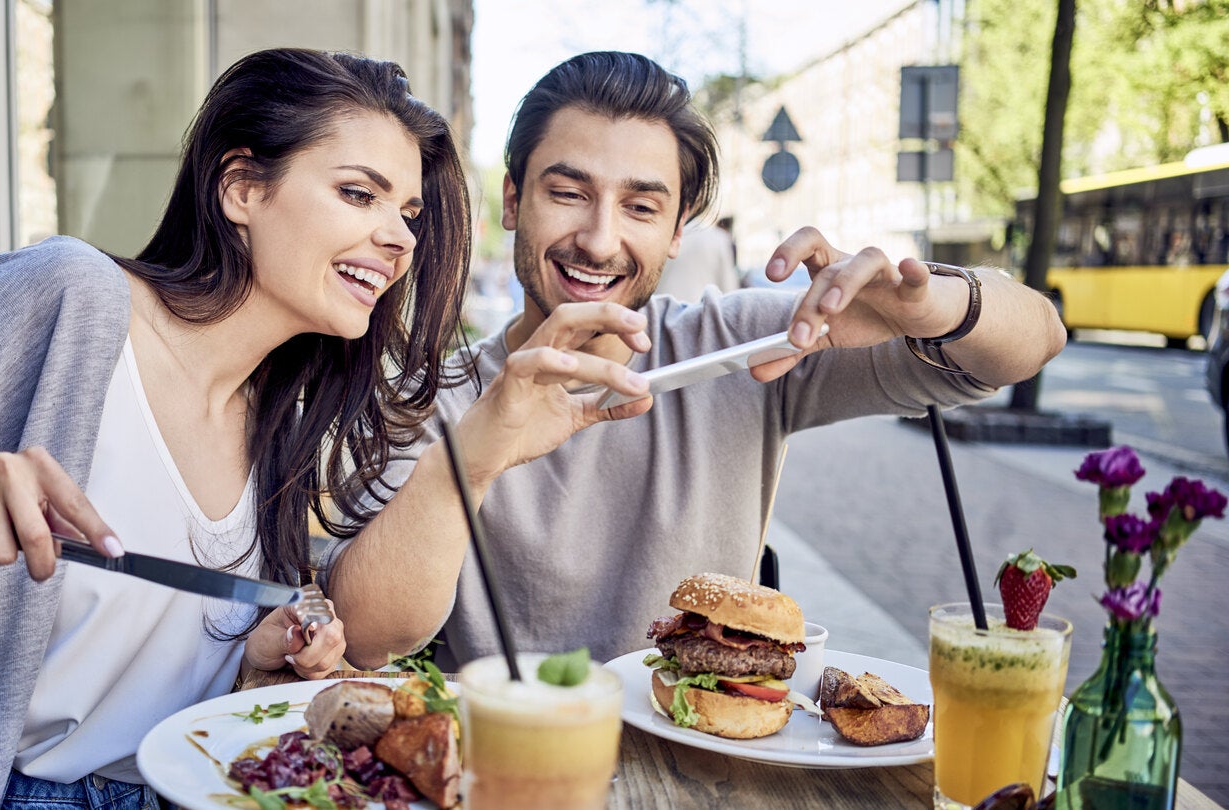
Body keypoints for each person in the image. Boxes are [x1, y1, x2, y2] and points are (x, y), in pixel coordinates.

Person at [0, 48, 566, 810]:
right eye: (359, 194)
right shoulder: (70, 300)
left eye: (408, 214)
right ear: (239, 188)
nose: (400, 239)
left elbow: (155, 696)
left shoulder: (278, 421)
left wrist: (252, 660)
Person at [326, 51, 1067, 672]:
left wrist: (933, 307)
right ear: (514, 201)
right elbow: (366, 635)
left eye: (642, 208)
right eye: (568, 193)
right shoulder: (428, 400)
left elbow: (1031, 343)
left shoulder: (740, 345)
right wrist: (475, 459)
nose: (599, 239)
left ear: (679, 231)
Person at [654, 215, 739, 301]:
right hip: (700, 309)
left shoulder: (656, 235)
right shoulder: (719, 239)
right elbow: (729, 290)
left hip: (660, 309)